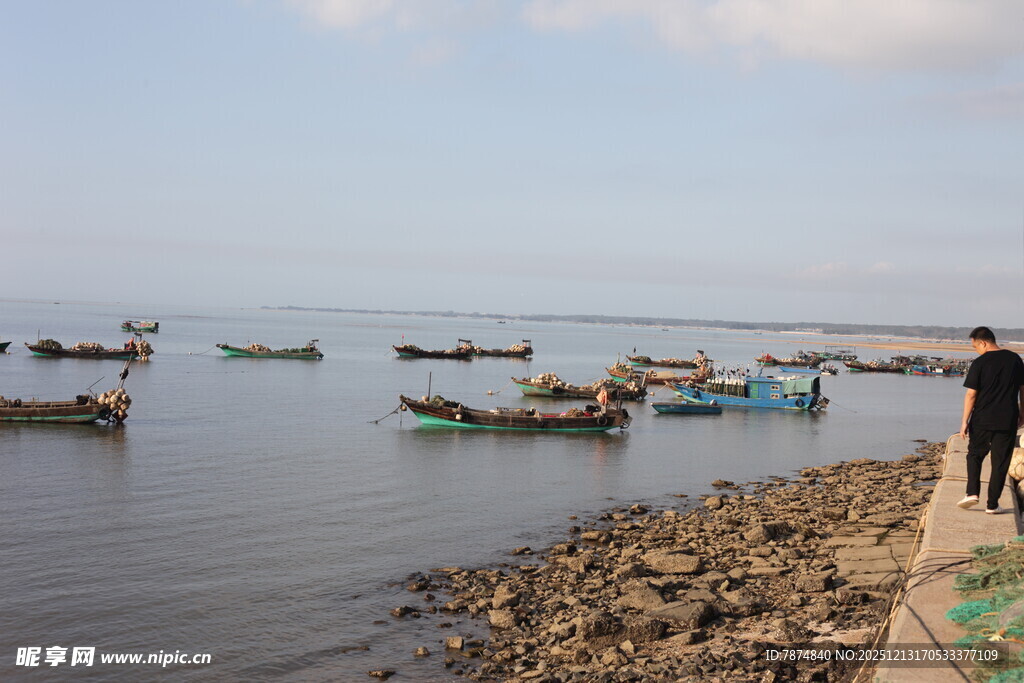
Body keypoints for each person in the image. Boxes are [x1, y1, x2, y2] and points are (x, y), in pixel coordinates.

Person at [957, 326, 1024, 514]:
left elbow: (971, 394)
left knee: (975, 455)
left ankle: (971, 493)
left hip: (982, 418)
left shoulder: (979, 363)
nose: (976, 350)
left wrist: (964, 421)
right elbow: (1023, 390)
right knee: (1000, 462)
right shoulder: (1015, 359)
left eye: (975, 346)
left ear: (983, 343)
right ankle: (992, 504)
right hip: (1008, 418)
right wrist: (1023, 413)